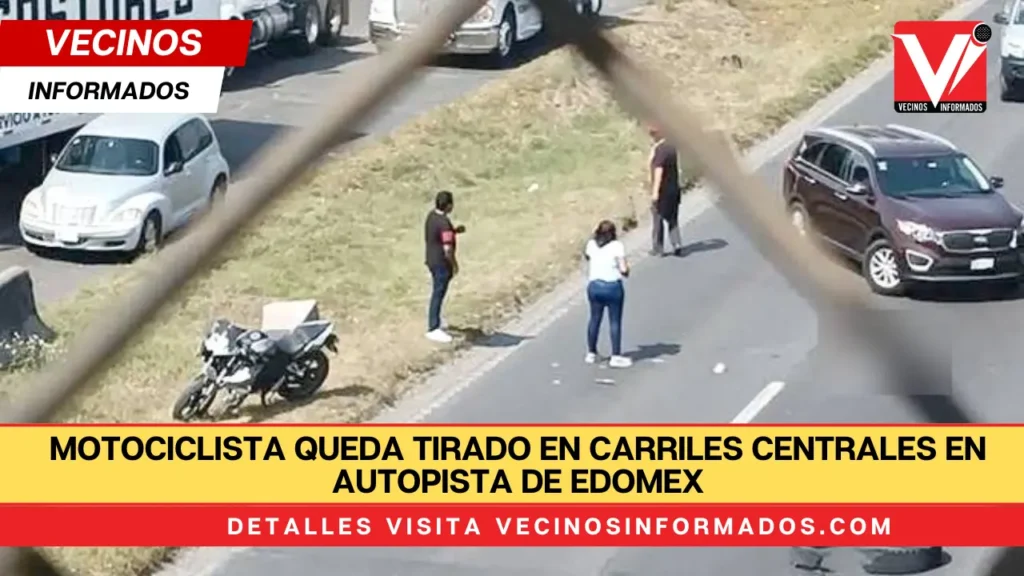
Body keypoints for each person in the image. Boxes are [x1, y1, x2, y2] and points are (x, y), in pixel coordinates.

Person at [583, 220, 632, 368]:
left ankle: (591, 353)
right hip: (612, 287)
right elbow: (624, 269)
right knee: (614, 321)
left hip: (594, 286)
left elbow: (587, 257)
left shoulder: (591, 244)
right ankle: (616, 356)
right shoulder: (617, 246)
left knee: (594, 319)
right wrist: (626, 269)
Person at [424, 190, 464, 343]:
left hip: (431, 259)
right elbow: (447, 248)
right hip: (441, 263)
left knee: (437, 291)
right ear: (448, 206)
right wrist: (454, 264)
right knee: (438, 293)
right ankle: (433, 327)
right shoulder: (444, 223)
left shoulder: (431, 217)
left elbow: (440, 234)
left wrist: (455, 231)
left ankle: (436, 319)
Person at [648, 125, 683, 256]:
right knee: (673, 217)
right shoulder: (671, 147)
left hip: (663, 191)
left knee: (658, 217)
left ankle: (658, 247)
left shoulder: (660, 150)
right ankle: (677, 243)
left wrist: (655, 192)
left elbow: (658, 170)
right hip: (674, 188)